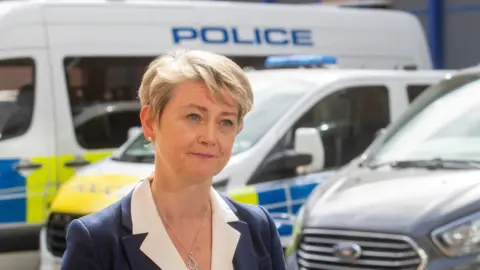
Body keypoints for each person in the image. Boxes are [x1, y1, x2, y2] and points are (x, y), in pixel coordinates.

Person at [60, 50, 286, 270]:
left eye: (225, 122)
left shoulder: (259, 228)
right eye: (194, 117)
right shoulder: (97, 240)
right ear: (149, 122)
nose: (210, 137)